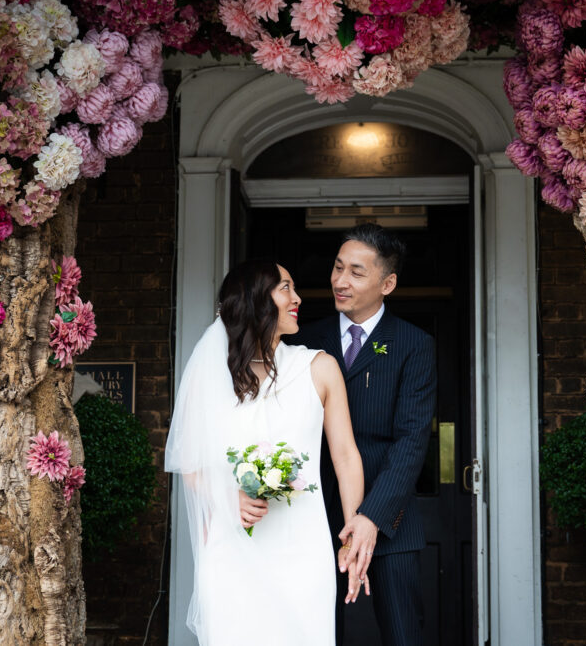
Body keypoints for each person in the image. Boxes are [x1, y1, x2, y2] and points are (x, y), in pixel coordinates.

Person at [165, 259, 369, 646]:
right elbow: (186, 461)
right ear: (257, 300)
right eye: (286, 288)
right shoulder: (212, 376)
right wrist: (228, 496)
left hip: (302, 547)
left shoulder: (320, 368)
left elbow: (345, 457)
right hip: (233, 544)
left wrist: (351, 531)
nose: (298, 298)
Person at [290, 223, 437, 646]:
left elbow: (412, 441)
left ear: (387, 283)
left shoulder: (412, 344)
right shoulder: (302, 340)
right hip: (312, 516)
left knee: (402, 634)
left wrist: (371, 516)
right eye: (337, 268)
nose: (340, 281)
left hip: (390, 521)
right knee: (314, 634)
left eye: (356, 272)